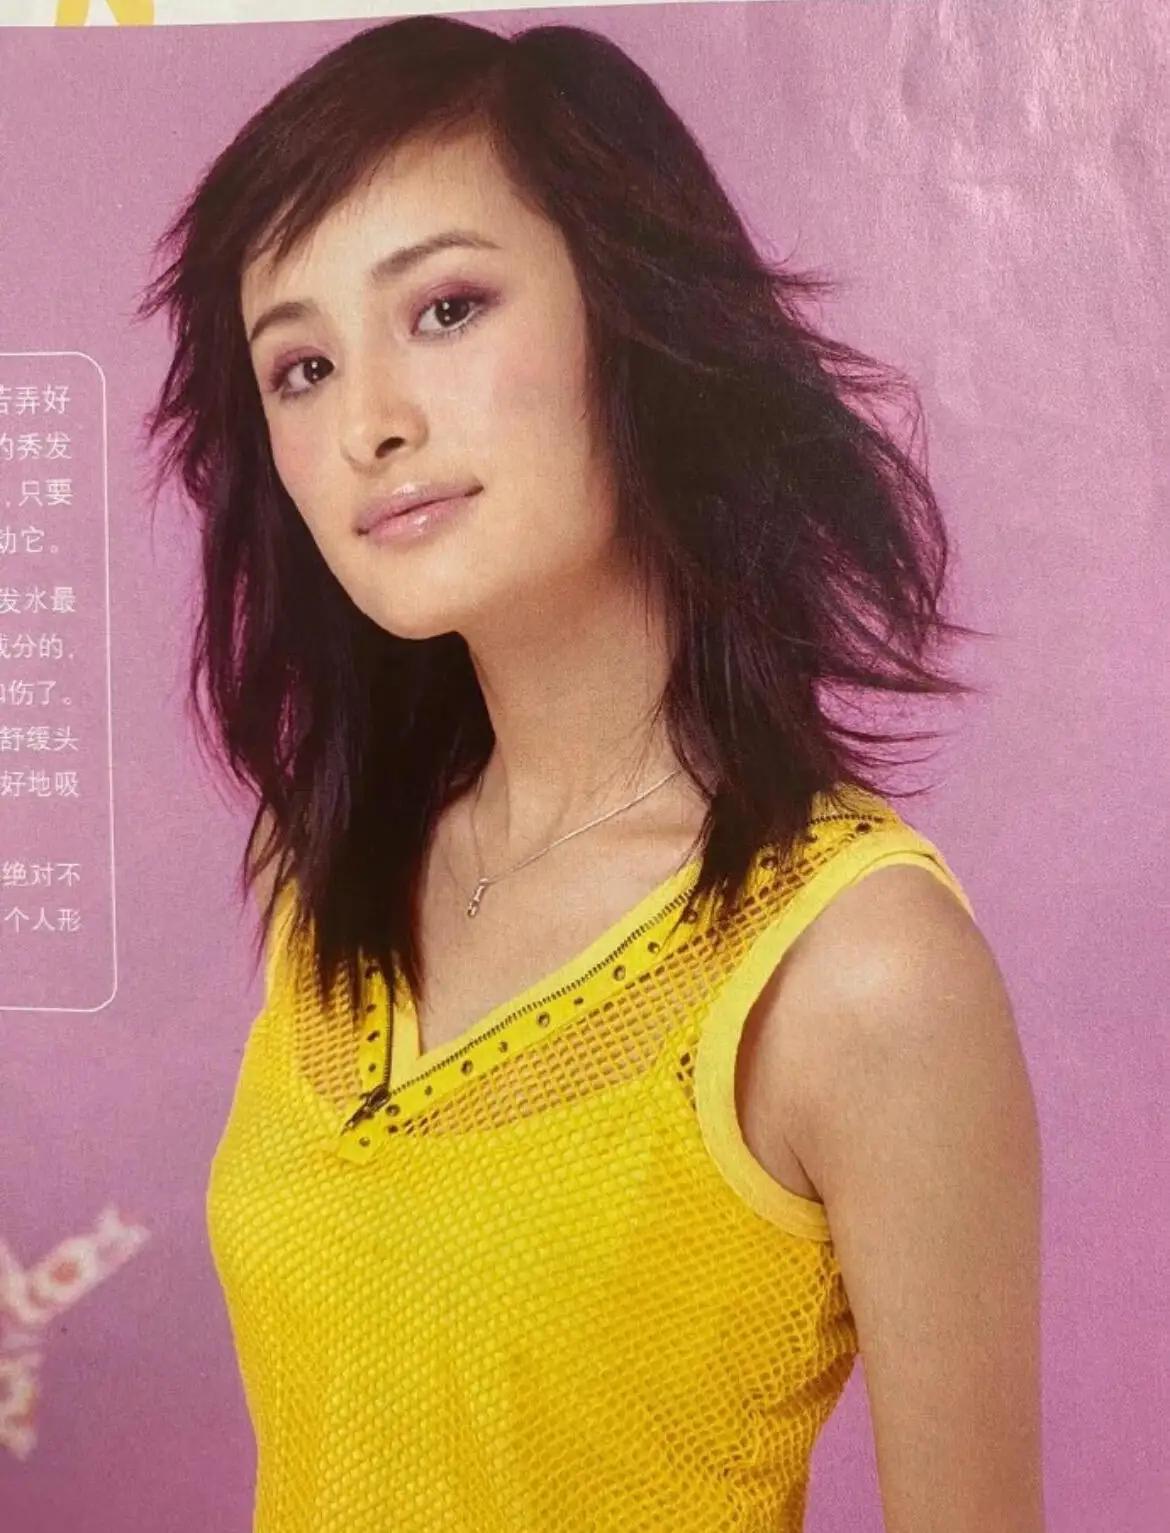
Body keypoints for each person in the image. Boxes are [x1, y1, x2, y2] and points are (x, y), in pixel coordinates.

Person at [138, 16, 1044, 1533]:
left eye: (445, 308)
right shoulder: (322, 875)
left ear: (630, 315)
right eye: (300, 366)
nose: (369, 424)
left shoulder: (853, 967)